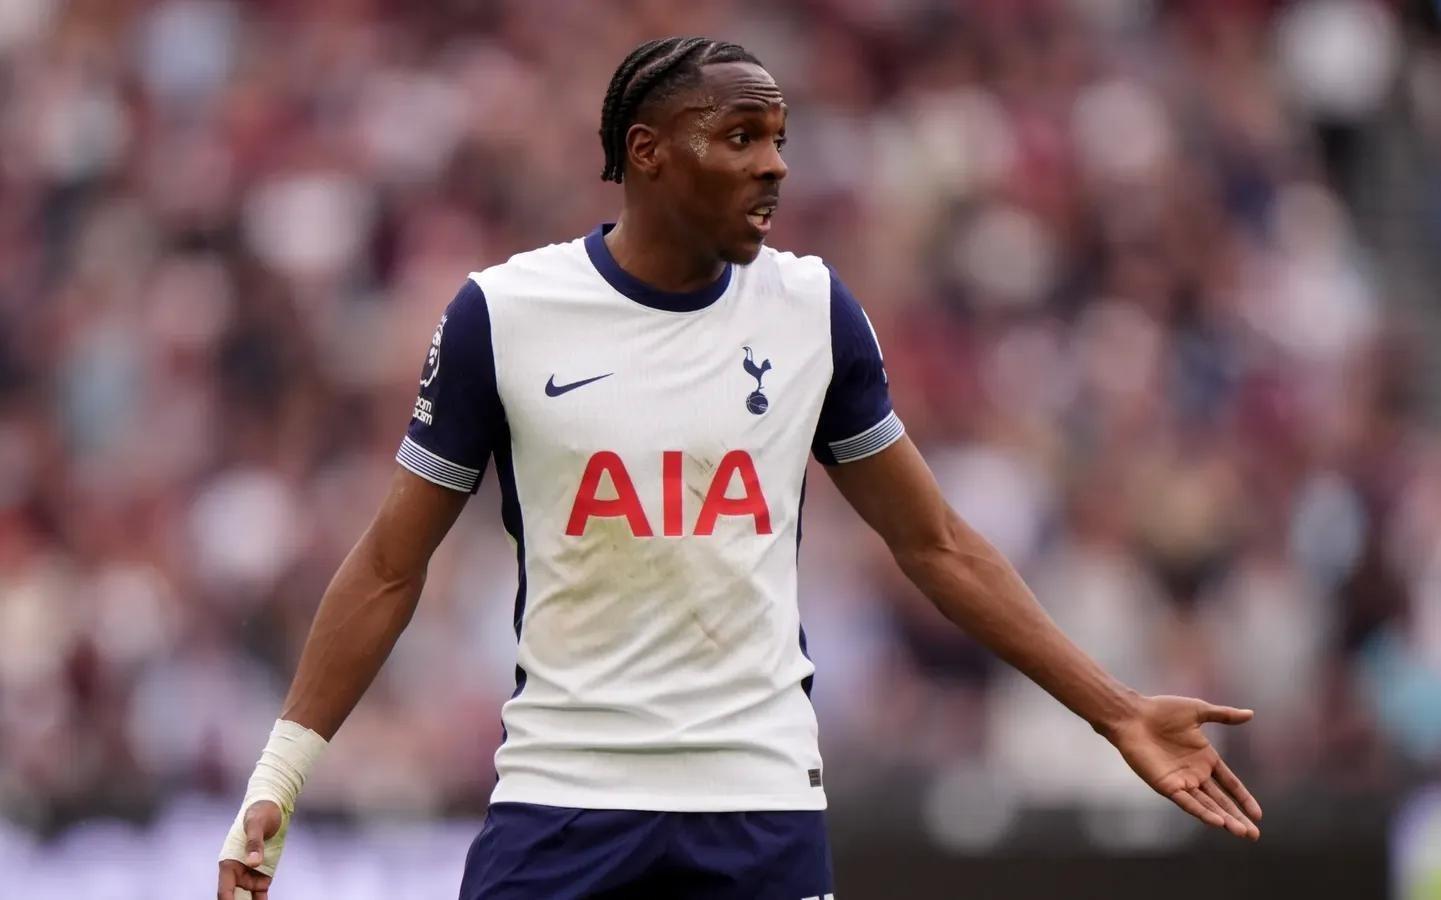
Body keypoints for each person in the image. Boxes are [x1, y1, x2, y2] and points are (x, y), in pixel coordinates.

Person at [217, 36, 1262, 900]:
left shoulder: (811, 311)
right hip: (564, 796)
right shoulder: (505, 314)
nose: (774, 166)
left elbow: (934, 544)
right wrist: (280, 776)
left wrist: (1115, 709)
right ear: (647, 153)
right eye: (740, 137)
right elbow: (390, 567)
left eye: (778, 140)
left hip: (758, 806)